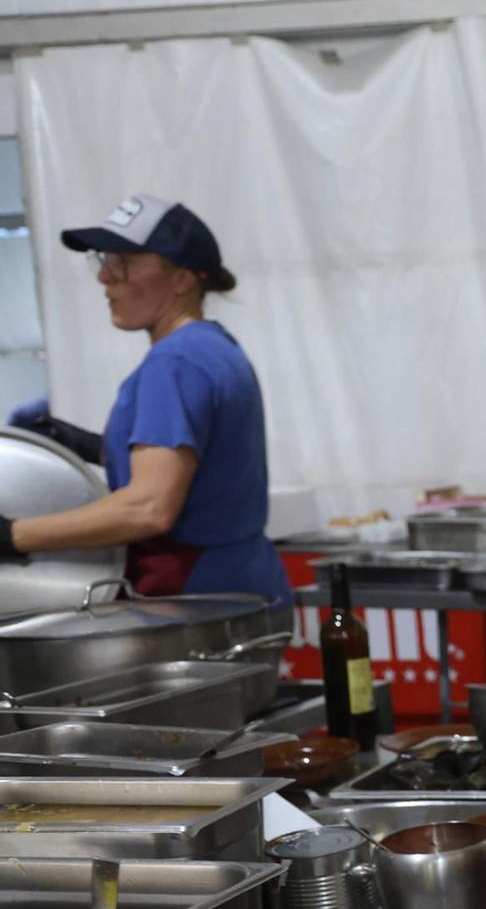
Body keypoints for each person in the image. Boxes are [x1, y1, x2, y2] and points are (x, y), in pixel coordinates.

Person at [0, 194, 291, 603]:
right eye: (104, 261)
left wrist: (13, 535)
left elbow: (149, 508)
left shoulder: (173, 363)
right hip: (241, 593)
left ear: (183, 278)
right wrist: (95, 448)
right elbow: (196, 467)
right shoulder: (213, 349)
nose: (105, 277)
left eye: (125, 263)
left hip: (198, 602)